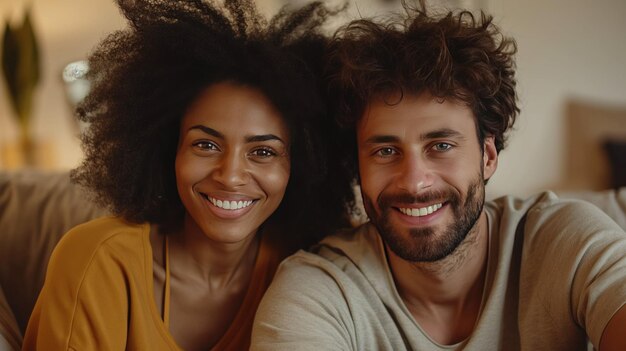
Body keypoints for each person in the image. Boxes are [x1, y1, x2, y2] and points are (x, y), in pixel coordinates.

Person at [251, 5, 626, 351]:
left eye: (441, 146)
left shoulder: (567, 241)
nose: (414, 183)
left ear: (488, 156)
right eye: (385, 151)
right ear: (358, 166)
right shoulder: (319, 291)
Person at [21, 0, 354, 350]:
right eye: (206, 145)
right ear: (169, 149)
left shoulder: (314, 265)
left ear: (301, 166)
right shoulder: (98, 260)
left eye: (263, 152)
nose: (230, 175)